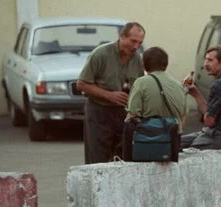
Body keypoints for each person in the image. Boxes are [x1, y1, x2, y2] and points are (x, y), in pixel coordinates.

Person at [77, 22, 145, 164]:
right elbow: (82, 84)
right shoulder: (100, 54)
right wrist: (109, 95)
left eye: (140, 43)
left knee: (123, 156)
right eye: (133, 41)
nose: (135, 47)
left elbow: (138, 86)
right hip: (99, 111)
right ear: (121, 36)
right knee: (97, 158)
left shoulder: (138, 59)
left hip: (123, 113)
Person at [123, 46, 188, 160]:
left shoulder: (141, 82)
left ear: (143, 65)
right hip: (172, 147)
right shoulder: (179, 85)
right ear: (165, 65)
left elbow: (132, 115)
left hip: (147, 144)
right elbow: (183, 117)